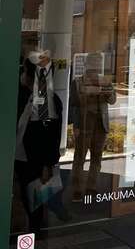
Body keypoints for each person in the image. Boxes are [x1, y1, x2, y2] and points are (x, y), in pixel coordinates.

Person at [14, 50, 69, 232]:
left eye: (25, 71)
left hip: (34, 162)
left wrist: (48, 165)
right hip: (22, 158)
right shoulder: (29, 95)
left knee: (34, 203)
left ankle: (35, 237)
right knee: (26, 199)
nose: (22, 75)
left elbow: (51, 138)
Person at [69, 53, 116, 201]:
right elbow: (74, 103)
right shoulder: (78, 82)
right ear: (87, 65)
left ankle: (92, 186)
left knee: (97, 157)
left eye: (98, 64)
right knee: (79, 157)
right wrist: (76, 126)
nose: (96, 67)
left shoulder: (104, 81)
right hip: (84, 125)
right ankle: (77, 189)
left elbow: (112, 100)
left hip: (100, 124)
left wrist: (105, 89)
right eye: (93, 63)